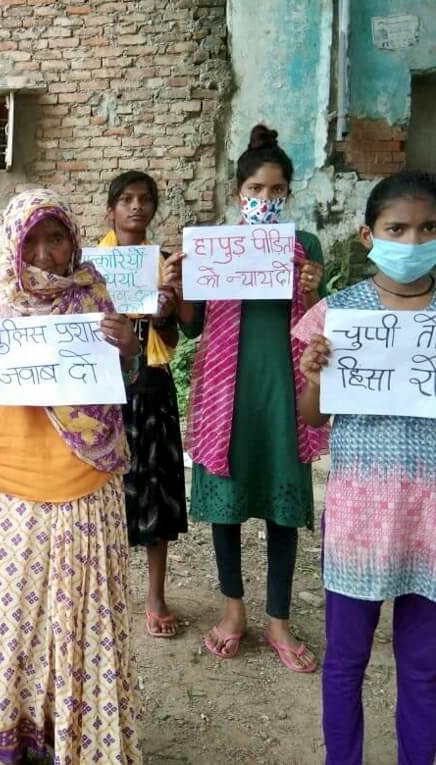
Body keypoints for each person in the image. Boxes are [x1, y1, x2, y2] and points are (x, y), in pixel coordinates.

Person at [0, 189, 141, 764]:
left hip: (85, 481)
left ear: (72, 240)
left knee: (83, 620)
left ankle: (78, 736)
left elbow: (115, 386)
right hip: (8, 484)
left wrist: (129, 351)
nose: (45, 254)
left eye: (55, 238)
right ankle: (16, 730)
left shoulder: (94, 296)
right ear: (11, 242)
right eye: (31, 240)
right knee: (15, 620)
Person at [165, 124, 327, 672]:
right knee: (227, 506)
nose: (266, 199)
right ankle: (233, 610)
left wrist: (313, 290)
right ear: (239, 194)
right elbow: (193, 327)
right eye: (256, 190)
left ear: (288, 194)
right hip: (226, 393)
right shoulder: (215, 247)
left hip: (284, 391)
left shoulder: (304, 247)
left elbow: (321, 326)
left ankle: (278, 619)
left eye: (276, 190)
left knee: (284, 510)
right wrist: (181, 288)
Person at [294, 170, 436, 764]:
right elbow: (314, 417)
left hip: (430, 518)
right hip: (359, 512)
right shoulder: (338, 314)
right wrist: (314, 375)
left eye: (428, 228)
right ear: (368, 235)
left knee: (425, 666)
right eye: (396, 229)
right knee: (346, 659)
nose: (412, 241)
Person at [101, 171, 187, 638]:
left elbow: (177, 335)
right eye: (127, 199)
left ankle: (155, 595)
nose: (136, 207)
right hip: (101, 391)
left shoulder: (165, 264)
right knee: (104, 496)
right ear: (111, 210)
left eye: (145, 199)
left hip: (151, 386)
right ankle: (107, 591)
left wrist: (165, 310)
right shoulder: (90, 266)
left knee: (156, 494)